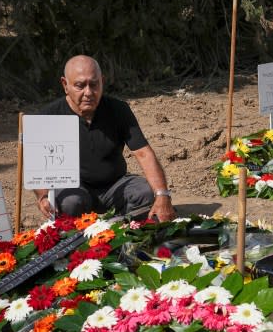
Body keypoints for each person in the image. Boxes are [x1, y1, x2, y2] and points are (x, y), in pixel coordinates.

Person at [33, 55, 175, 222]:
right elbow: (37, 168)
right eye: (80, 86)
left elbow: (143, 152)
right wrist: (43, 196)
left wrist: (162, 194)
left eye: (94, 85)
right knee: (68, 203)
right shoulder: (48, 116)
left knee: (146, 192)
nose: (88, 93)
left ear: (102, 81)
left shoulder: (118, 109)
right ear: (65, 85)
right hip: (75, 188)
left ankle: (121, 226)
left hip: (116, 184)